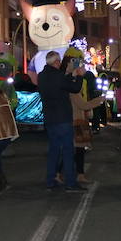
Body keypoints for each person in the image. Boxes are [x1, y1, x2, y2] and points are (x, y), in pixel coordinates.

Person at [38, 51, 83, 191]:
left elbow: (61, 84)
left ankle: (50, 180)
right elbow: (74, 88)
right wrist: (79, 76)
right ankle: (70, 182)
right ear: (56, 62)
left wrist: (70, 75)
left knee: (54, 150)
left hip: (50, 119)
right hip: (63, 118)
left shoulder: (41, 76)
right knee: (68, 151)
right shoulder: (58, 76)